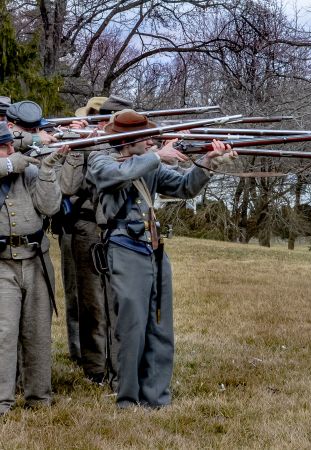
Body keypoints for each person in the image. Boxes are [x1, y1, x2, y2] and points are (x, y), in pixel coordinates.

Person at [86, 110, 236, 409]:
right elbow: (113, 177)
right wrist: (158, 156)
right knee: (132, 327)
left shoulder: (149, 161)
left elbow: (183, 187)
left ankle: (156, 397)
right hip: (124, 247)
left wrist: (207, 164)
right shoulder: (100, 158)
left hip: (152, 247)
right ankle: (127, 399)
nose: (152, 140)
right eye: (146, 137)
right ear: (129, 140)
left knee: (160, 325)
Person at [59, 95, 132, 382]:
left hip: (118, 228)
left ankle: (118, 364)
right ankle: (94, 367)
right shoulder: (87, 144)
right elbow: (71, 184)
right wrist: (83, 143)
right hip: (87, 226)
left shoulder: (128, 145)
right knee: (90, 301)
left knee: (116, 300)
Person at [0, 121, 69, 416]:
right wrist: (6, 165)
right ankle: (2, 401)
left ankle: (39, 397)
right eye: (4, 148)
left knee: (37, 332)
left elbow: (50, 207)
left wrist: (48, 171)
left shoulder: (27, 172)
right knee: (4, 333)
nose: (11, 151)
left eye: (10, 146)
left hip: (35, 258)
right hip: (2, 263)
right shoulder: (9, 167)